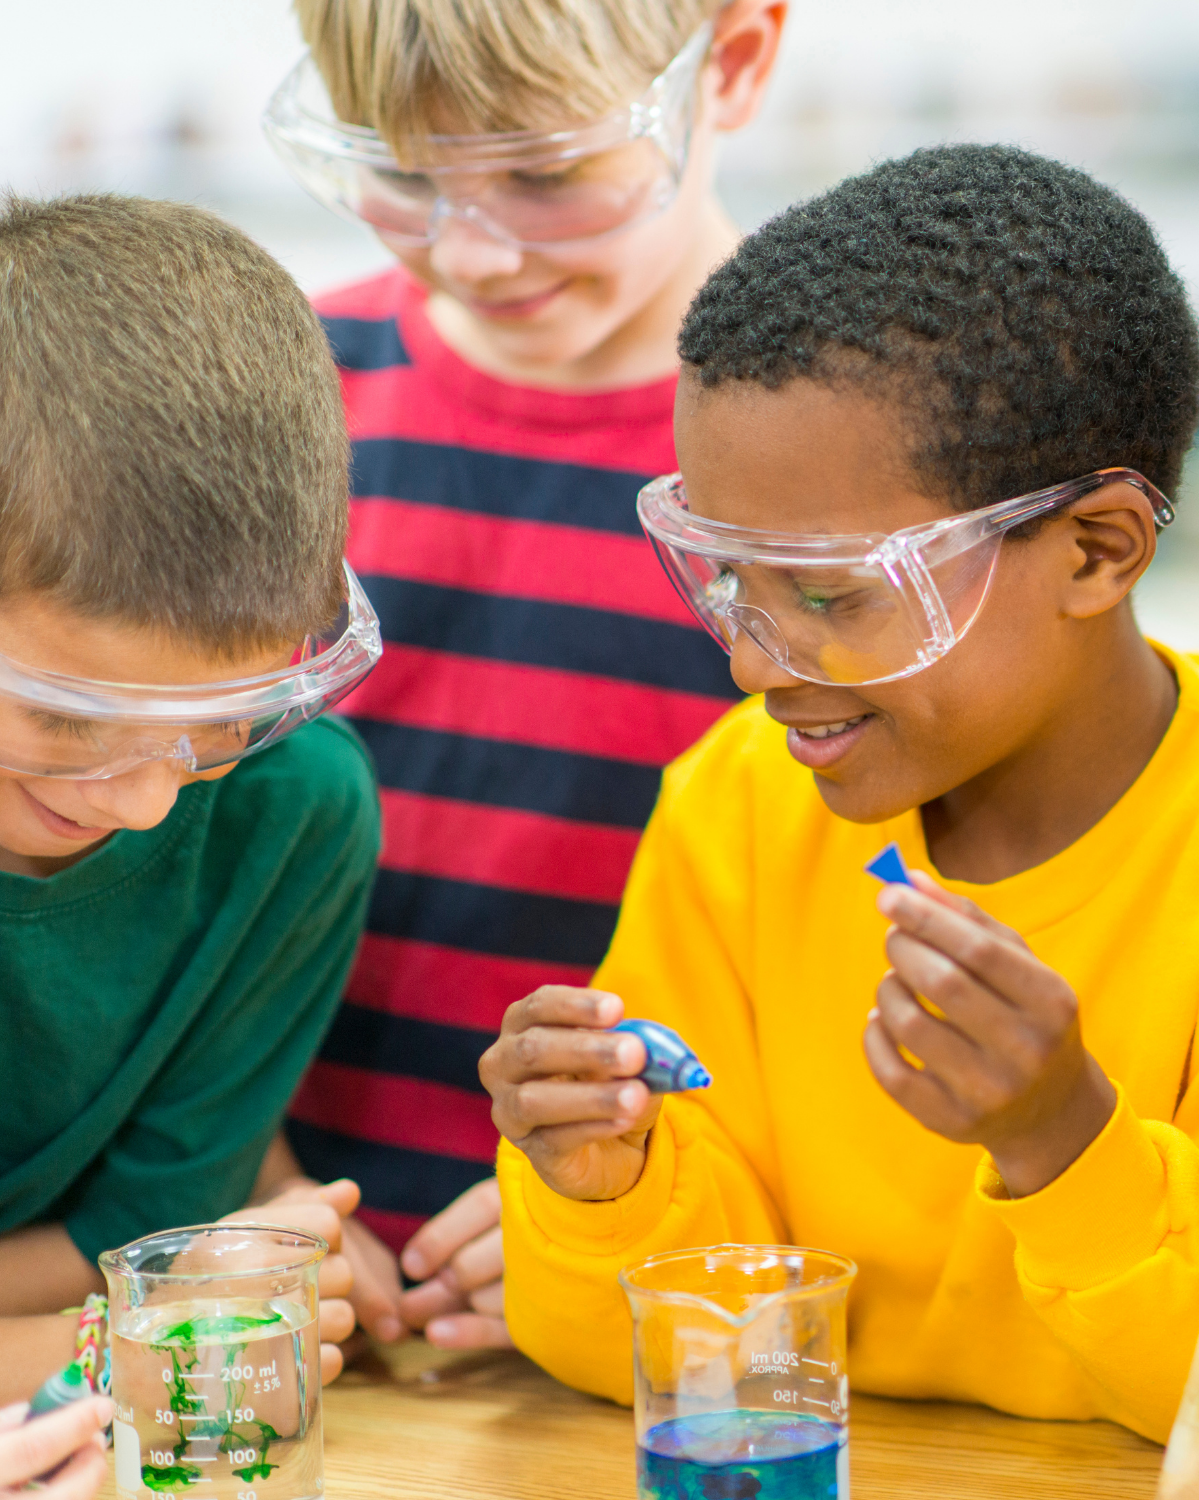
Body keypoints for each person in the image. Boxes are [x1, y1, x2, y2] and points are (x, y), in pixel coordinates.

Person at [486, 144, 1199, 1440]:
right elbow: (653, 1354)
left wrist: (1062, 1134)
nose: (748, 657)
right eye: (728, 579)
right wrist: (602, 1179)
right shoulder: (736, 803)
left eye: (831, 595)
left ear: (1096, 550)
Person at [253, 0, 786, 1351]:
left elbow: (850, 943)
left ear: (733, 63)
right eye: (400, 174)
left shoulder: (825, 474)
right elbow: (167, 874)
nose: (475, 250)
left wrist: (622, 1217)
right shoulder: (280, 401)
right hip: (281, 1281)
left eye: (547, 174)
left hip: (658, 1298)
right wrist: (256, 1192)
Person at [0, 194, 378, 1403]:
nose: (146, 802)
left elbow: (148, 1226)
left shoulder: (290, 812)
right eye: (68, 721)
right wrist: (148, 1343)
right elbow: (147, 1285)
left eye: (216, 723)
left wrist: (169, 1300)